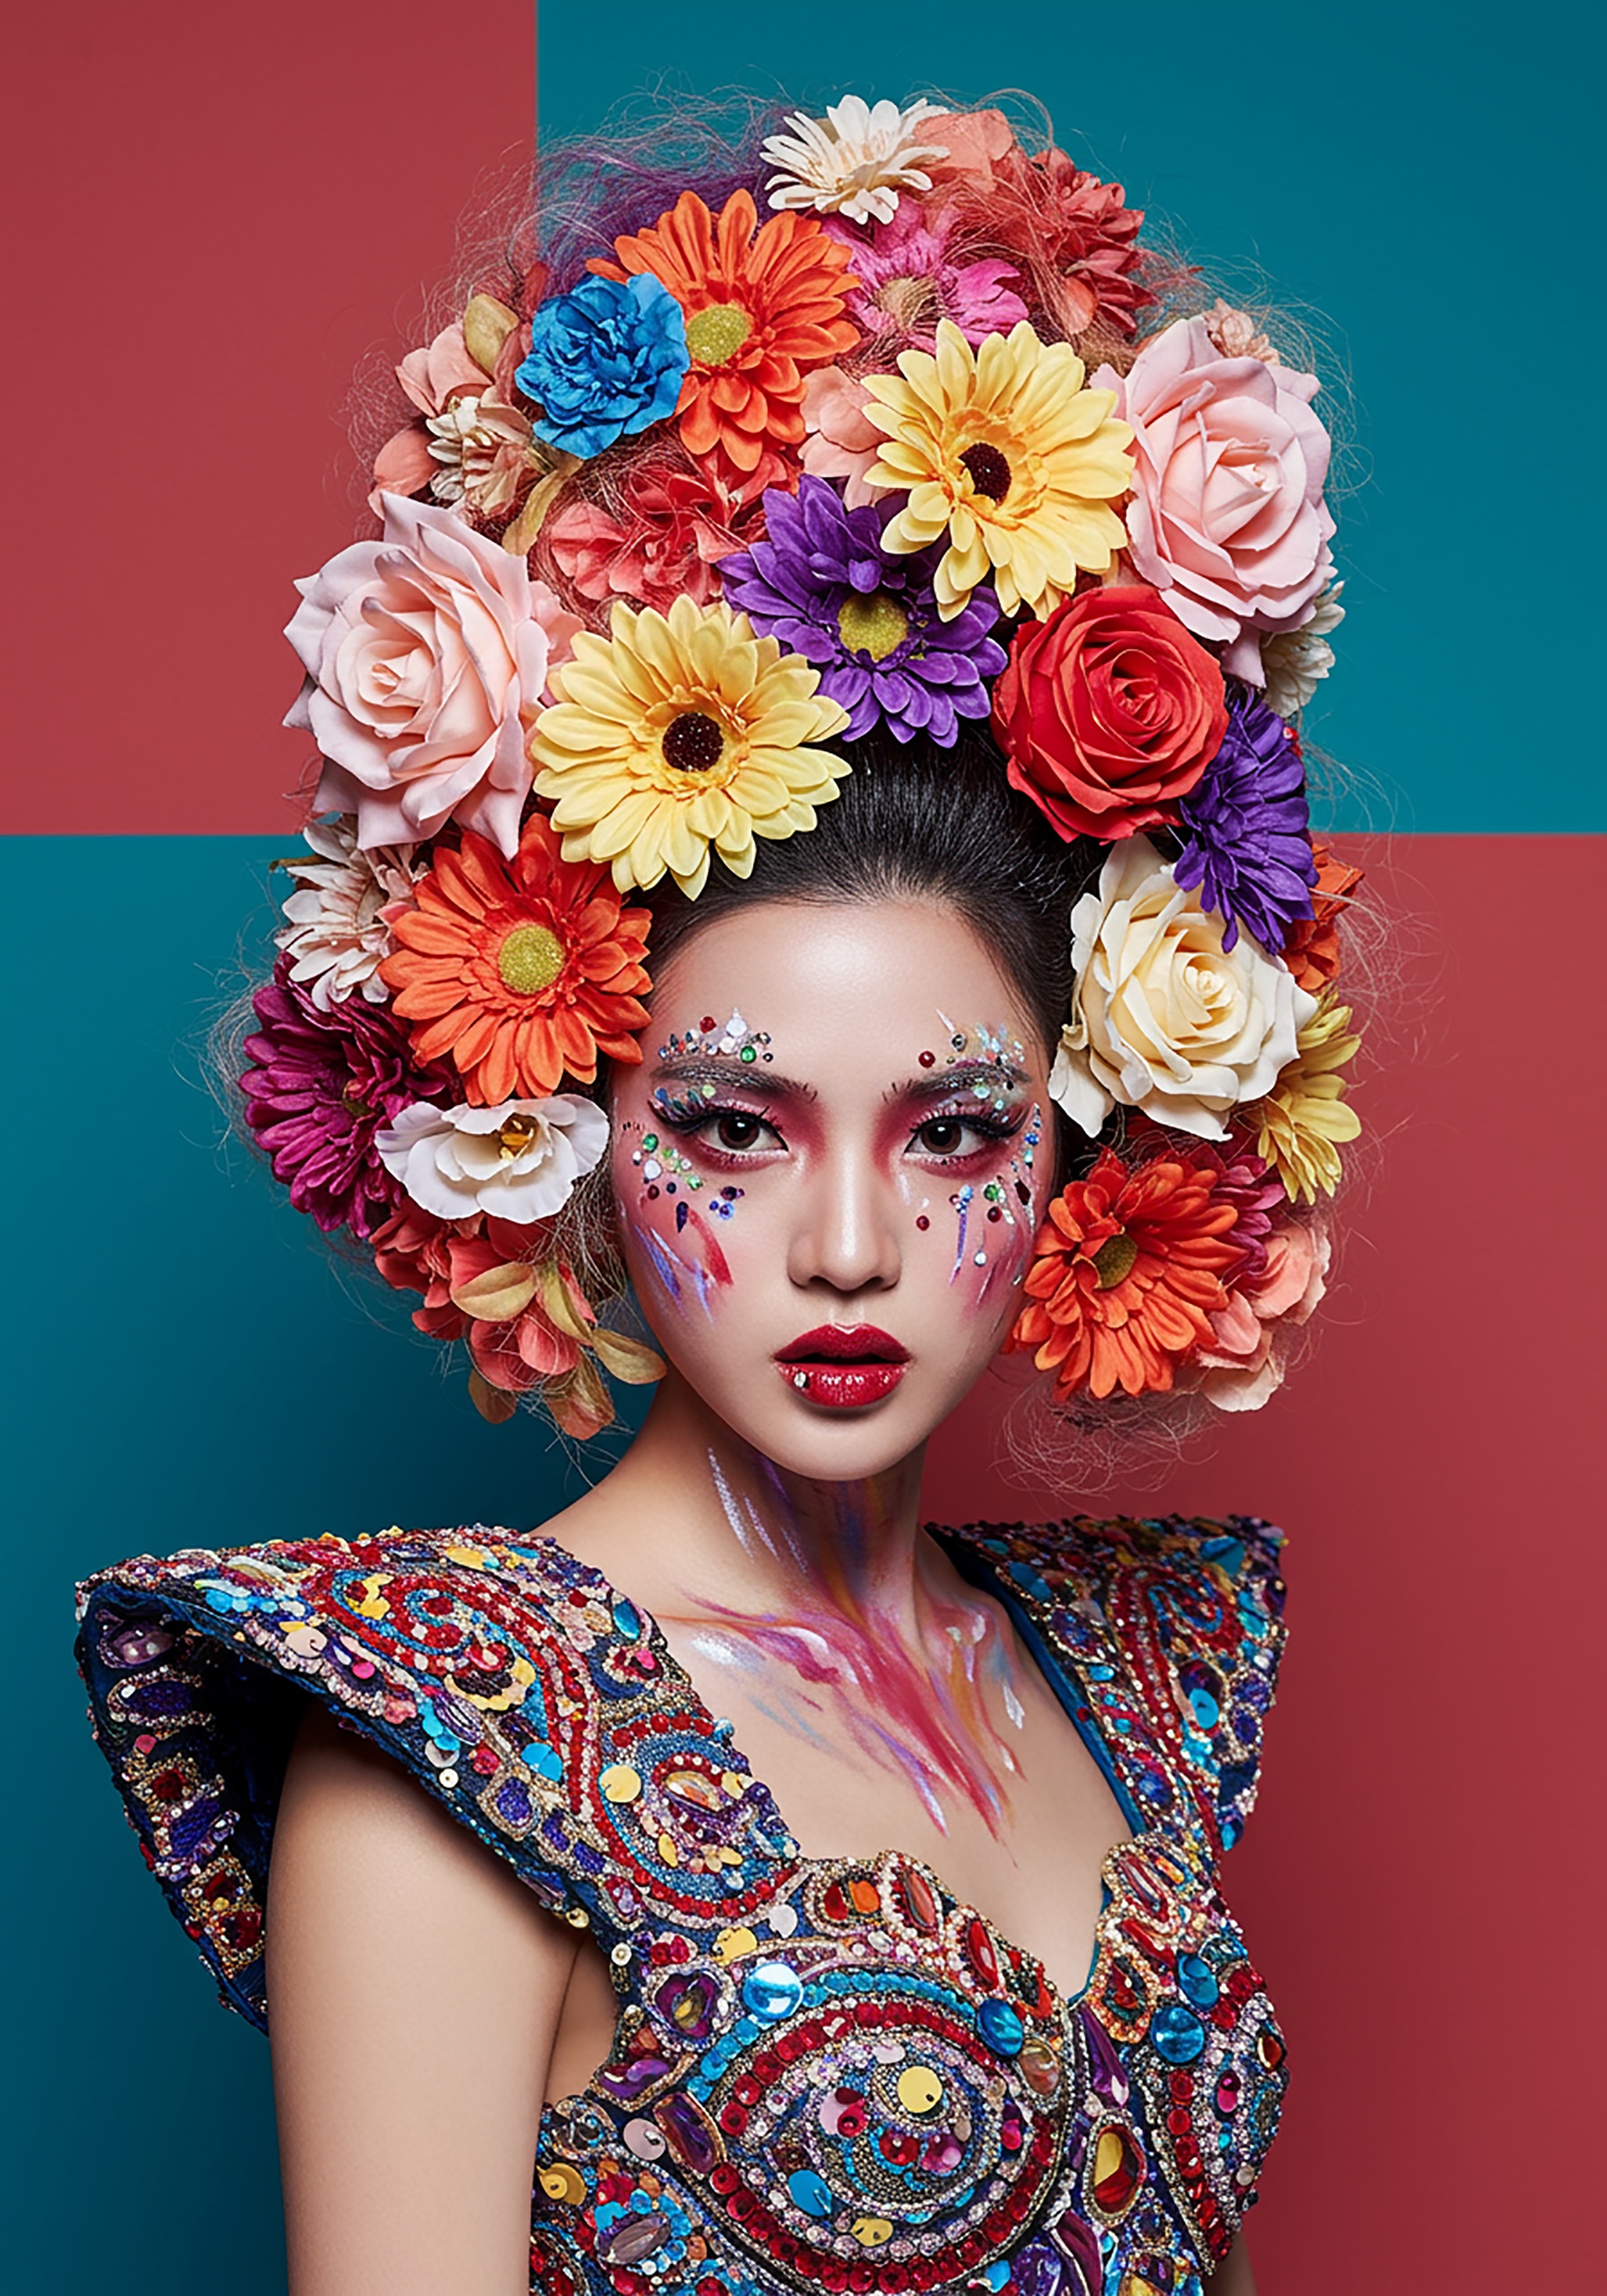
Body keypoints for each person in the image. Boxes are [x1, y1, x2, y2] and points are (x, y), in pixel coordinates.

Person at [76, 87, 1364, 2296]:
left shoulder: (1119, 1685)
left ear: (1093, 1131)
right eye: (735, 1131)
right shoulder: (449, 1753)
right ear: (578, 1121)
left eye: (952, 1130)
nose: (847, 1245)